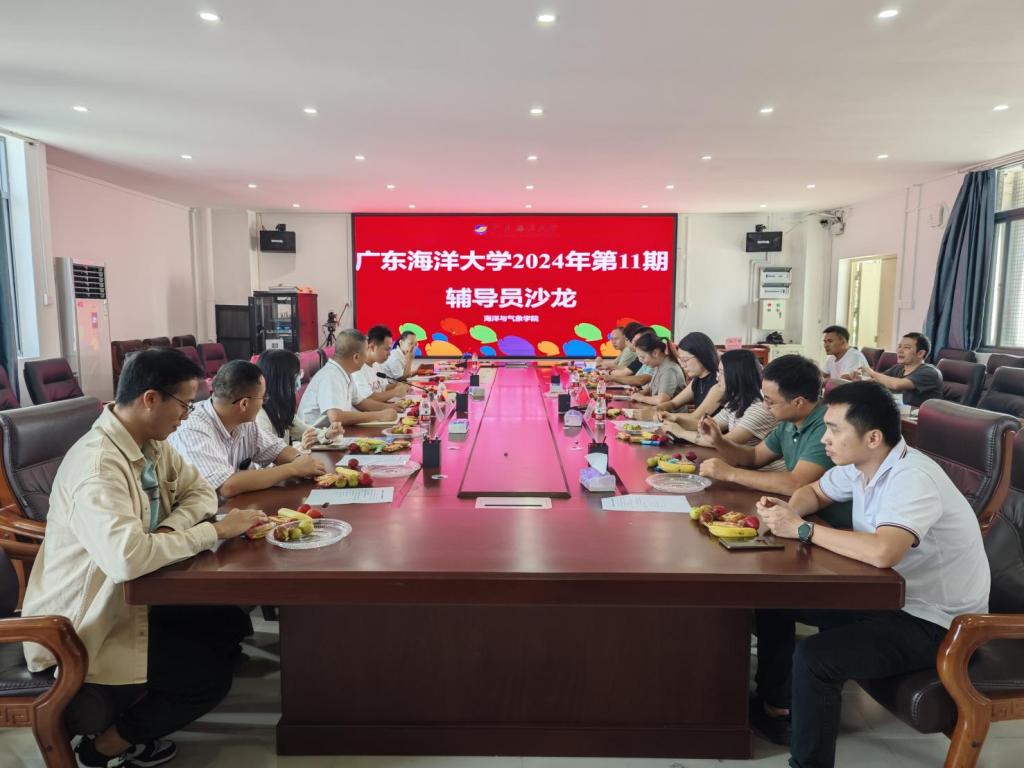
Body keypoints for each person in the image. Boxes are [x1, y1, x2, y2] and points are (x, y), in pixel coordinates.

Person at [21, 347, 268, 768]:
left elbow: (201, 492)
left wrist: (169, 531)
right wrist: (212, 531)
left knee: (228, 622)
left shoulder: (150, 444)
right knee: (206, 679)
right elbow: (127, 559)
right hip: (87, 623)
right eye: (184, 405)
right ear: (151, 398)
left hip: (138, 595)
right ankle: (104, 748)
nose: (187, 416)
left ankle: (147, 709)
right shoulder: (98, 468)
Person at [750, 380, 989, 768]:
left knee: (815, 658)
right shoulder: (862, 466)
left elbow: (883, 552)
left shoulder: (912, 478)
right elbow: (813, 492)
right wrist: (788, 513)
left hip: (936, 621)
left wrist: (803, 530)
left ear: (873, 437)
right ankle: (778, 705)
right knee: (774, 601)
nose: (824, 438)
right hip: (885, 597)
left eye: (834, 429)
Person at [168, 360, 326, 498]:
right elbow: (227, 486)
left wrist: (299, 459)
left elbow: (277, 450)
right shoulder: (193, 428)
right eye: (263, 398)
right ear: (244, 404)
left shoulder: (245, 423)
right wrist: (293, 469)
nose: (264, 403)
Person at [698, 355, 836, 498]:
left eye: (770, 402)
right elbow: (754, 456)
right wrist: (719, 441)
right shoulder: (790, 421)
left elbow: (796, 483)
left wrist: (730, 474)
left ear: (798, 402)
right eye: (764, 398)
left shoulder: (827, 426)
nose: (764, 406)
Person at [660, 350, 782, 471]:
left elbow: (725, 441)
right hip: (742, 467)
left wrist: (681, 432)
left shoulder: (758, 409)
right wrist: (676, 419)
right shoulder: (735, 403)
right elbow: (708, 427)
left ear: (736, 376)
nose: (717, 377)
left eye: (722, 373)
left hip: (763, 473)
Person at [298, 328, 398, 426]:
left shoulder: (345, 372)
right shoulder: (331, 376)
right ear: (356, 357)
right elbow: (336, 418)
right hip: (317, 434)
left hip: (334, 432)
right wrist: (378, 416)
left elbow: (360, 402)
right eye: (366, 351)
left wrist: (389, 407)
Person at [255, 349, 344, 448]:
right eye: (296, 375)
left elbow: (306, 432)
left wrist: (327, 435)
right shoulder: (260, 416)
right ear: (281, 381)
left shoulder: (279, 408)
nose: (299, 379)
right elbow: (271, 456)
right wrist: (301, 447)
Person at [857, 332, 943, 407]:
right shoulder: (898, 368)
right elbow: (877, 381)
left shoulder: (930, 372)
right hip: (899, 412)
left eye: (907, 347)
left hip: (921, 418)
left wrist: (872, 373)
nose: (900, 350)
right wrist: (859, 380)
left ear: (920, 353)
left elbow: (896, 384)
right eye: (899, 346)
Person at [656, 331, 721, 413]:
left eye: (685, 360)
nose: (683, 365)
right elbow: (673, 404)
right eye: (681, 361)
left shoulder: (718, 382)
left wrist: (655, 413)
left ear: (701, 355)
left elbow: (696, 417)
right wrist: (654, 410)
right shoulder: (697, 380)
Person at [352, 325, 409, 408]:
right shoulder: (357, 368)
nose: (389, 354)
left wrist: (397, 385)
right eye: (387, 349)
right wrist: (395, 392)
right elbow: (368, 398)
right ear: (372, 347)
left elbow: (384, 387)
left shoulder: (377, 364)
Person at [628, 332, 686, 405]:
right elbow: (651, 388)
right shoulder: (659, 365)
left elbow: (662, 400)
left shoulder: (669, 369)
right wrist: (638, 393)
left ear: (655, 353)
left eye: (642, 357)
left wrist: (641, 398)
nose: (641, 361)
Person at [607, 323, 655, 388]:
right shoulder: (645, 357)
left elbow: (640, 380)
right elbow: (646, 387)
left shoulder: (651, 358)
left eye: (626, 339)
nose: (634, 344)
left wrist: (611, 376)